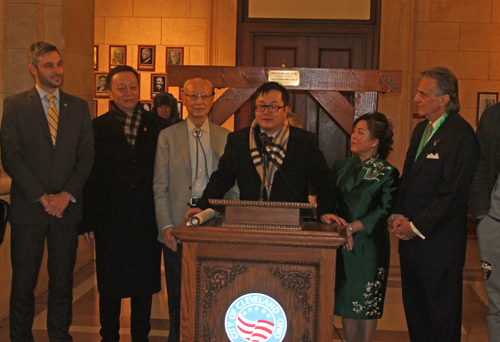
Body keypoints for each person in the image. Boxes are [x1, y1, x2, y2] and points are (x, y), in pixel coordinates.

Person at [0, 41, 94, 341]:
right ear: (33, 69)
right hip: (29, 209)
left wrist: (65, 195)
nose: (57, 71)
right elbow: (11, 156)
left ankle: (60, 335)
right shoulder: (15, 105)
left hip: (66, 210)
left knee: (62, 281)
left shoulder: (78, 107)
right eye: (49, 65)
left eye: (59, 64)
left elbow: (86, 155)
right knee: (24, 283)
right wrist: (42, 197)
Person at [391, 66, 479, 341]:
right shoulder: (421, 130)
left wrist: (415, 225)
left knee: (441, 317)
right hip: (411, 243)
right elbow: (408, 179)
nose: (416, 98)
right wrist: (397, 214)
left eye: (423, 93)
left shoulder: (461, 135)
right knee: (416, 314)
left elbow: (453, 193)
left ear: (444, 99)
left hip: (439, 244)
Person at [81, 65, 168, 342]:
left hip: (146, 220)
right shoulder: (97, 128)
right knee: (110, 286)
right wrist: (88, 222)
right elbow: (89, 177)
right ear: (110, 91)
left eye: (132, 87)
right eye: (121, 88)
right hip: (110, 220)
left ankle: (140, 336)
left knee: (143, 285)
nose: (128, 93)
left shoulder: (159, 127)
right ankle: (109, 336)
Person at [153, 77, 238, 342]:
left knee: (215, 290)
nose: (199, 102)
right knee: (179, 292)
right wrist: (166, 227)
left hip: (215, 223)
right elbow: (160, 185)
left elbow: (234, 187)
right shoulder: (168, 136)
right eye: (193, 96)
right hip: (178, 224)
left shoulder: (227, 137)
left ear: (212, 100)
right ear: (183, 98)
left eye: (204, 96)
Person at [189, 81, 340, 225]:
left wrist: (325, 211)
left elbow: (324, 181)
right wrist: (202, 207)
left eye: (273, 106)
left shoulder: (304, 141)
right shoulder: (239, 140)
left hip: (293, 223)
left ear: (286, 110)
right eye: (261, 107)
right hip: (250, 221)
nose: (266, 112)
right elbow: (221, 179)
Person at [331, 112, 399, 342]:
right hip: (341, 240)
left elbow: (383, 209)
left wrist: (353, 228)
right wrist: (339, 226)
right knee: (347, 297)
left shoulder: (387, 172)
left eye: (361, 132)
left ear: (375, 141)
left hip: (369, 244)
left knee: (368, 301)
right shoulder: (340, 166)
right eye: (354, 130)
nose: (354, 136)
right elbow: (330, 200)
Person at [470, 101, 500, 341]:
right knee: (497, 306)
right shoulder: (493, 115)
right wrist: (483, 218)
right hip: (495, 223)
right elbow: (479, 166)